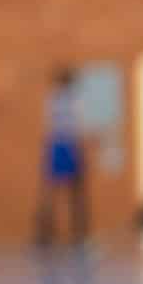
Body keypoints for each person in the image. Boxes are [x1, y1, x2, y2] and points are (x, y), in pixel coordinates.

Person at [34, 66, 89, 250]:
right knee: (74, 193)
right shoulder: (73, 99)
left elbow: (49, 124)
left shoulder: (54, 98)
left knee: (53, 192)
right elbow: (77, 126)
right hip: (67, 145)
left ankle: (46, 235)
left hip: (57, 144)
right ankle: (76, 235)